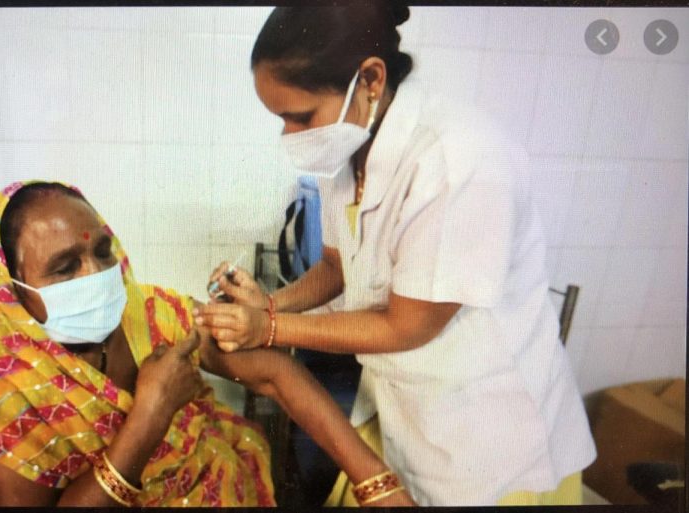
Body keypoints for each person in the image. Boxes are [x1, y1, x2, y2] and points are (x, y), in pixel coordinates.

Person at [195, 4, 597, 507]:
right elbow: (337, 269)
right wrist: (267, 308)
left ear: (370, 78)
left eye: (300, 117)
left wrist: (269, 328)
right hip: (409, 403)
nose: (291, 138)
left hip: (487, 429)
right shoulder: (351, 148)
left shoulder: (459, 160)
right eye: (281, 120)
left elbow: (409, 325)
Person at [0, 180, 414, 507]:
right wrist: (152, 412)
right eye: (66, 267)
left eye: (103, 251)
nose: (97, 275)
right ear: (10, 290)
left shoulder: (144, 311)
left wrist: (377, 484)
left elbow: (273, 374)